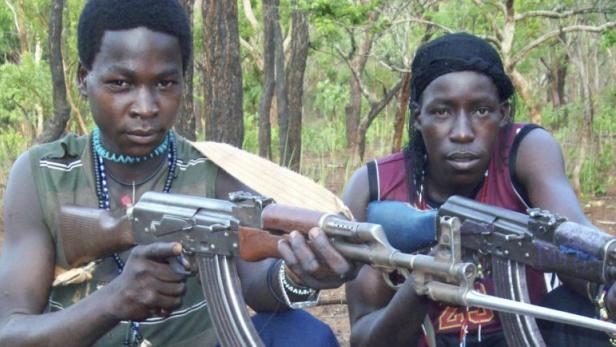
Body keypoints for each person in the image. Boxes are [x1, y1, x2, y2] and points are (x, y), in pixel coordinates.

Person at [0, 1, 350, 346]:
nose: (146, 107)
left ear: (184, 81)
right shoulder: (42, 174)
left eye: (165, 84)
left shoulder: (213, 169)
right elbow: (10, 331)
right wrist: (112, 301)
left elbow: (257, 283)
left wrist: (298, 275)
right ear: (83, 79)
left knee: (303, 335)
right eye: (121, 83)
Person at [342, 32, 616, 346]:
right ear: (418, 116)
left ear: (503, 114)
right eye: (442, 111)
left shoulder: (526, 150)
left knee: (575, 311)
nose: (462, 133)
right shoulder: (374, 186)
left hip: (524, 336)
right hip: (426, 339)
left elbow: (573, 234)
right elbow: (363, 338)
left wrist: (605, 289)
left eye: (481, 111)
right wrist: (421, 283)